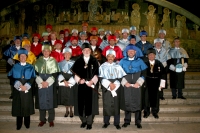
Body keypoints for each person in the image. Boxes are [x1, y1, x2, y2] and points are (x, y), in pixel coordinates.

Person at [70, 43, 99, 130]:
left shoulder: (94, 61)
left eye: (88, 50)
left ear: (90, 51)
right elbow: (74, 73)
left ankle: (89, 122)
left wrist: (92, 82)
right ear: (82, 51)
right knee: (81, 104)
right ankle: (83, 121)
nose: (86, 51)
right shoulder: (78, 60)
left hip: (91, 86)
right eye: (85, 50)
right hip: (81, 86)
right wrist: (79, 80)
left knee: (91, 104)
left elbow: (97, 74)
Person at [119, 45, 147, 129]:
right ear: (126, 52)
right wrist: (124, 82)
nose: (131, 53)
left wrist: (139, 82)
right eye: (129, 51)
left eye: (132, 51)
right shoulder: (122, 61)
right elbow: (119, 73)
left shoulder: (140, 61)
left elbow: (144, 72)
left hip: (137, 84)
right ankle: (127, 121)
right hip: (127, 83)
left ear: (135, 52)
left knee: (138, 102)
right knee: (127, 102)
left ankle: (138, 121)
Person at [7, 48, 36, 130]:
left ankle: (27, 123)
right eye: (21, 56)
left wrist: (27, 85)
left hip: (27, 88)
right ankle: (19, 124)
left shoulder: (30, 67)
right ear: (19, 57)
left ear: (26, 57)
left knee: (27, 105)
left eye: (24, 56)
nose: (23, 57)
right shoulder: (15, 66)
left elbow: (33, 78)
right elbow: (10, 76)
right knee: (18, 105)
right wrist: (17, 84)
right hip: (17, 88)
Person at [99, 49, 126, 130]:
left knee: (116, 105)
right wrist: (109, 84)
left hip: (116, 87)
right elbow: (101, 77)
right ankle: (106, 122)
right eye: (109, 56)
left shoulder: (118, 66)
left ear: (114, 57)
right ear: (106, 57)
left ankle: (116, 123)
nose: (110, 58)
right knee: (106, 104)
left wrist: (115, 85)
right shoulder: (102, 66)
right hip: (106, 87)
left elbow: (121, 77)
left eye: (112, 56)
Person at [34, 44, 60, 127]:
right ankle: (42, 120)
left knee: (50, 102)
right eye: (44, 51)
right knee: (41, 102)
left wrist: (47, 82)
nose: (46, 52)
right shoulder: (38, 61)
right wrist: (41, 82)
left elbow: (55, 73)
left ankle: (51, 120)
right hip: (40, 83)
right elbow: (35, 73)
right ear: (42, 52)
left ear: (50, 52)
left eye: (47, 51)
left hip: (50, 83)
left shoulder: (53, 61)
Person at [143, 48, 166, 119]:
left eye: (153, 55)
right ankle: (146, 112)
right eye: (150, 55)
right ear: (148, 56)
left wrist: (162, 84)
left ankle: (155, 112)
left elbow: (163, 74)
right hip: (148, 83)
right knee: (147, 99)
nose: (151, 56)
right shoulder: (145, 64)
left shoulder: (159, 63)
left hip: (156, 83)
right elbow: (143, 74)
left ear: (155, 56)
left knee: (155, 99)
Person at [57, 47, 76, 118]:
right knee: (65, 96)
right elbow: (58, 73)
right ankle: (66, 110)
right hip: (63, 81)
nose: (67, 55)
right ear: (63, 55)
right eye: (66, 54)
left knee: (71, 96)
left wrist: (70, 82)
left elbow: (76, 74)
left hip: (71, 81)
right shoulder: (60, 64)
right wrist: (64, 81)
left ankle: (71, 110)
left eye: (69, 54)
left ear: (71, 55)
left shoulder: (74, 63)